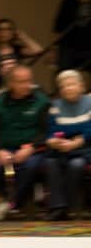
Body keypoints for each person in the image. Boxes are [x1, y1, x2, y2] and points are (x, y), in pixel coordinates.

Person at [0, 65, 50, 221]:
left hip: (33, 150)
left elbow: (44, 131)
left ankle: (10, 204)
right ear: (11, 84)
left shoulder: (42, 101)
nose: (26, 85)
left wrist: (31, 148)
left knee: (30, 166)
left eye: (29, 81)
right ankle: (10, 202)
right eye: (21, 82)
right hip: (6, 149)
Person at [44, 70, 91, 220]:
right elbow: (52, 130)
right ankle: (58, 207)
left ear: (81, 86)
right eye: (64, 86)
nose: (68, 88)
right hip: (62, 149)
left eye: (71, 84)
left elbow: (89, 129)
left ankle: (72, 205)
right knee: (50, 162)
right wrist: (53, 140)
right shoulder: (55, 106)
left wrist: (76, 141)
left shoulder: (89, 102)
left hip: (85, 149)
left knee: (75, 165)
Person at [53, 0, 91, 73]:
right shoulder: (68, 0)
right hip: (69, 47)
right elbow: (58, 28)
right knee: (65, 76)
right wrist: (54, 50)